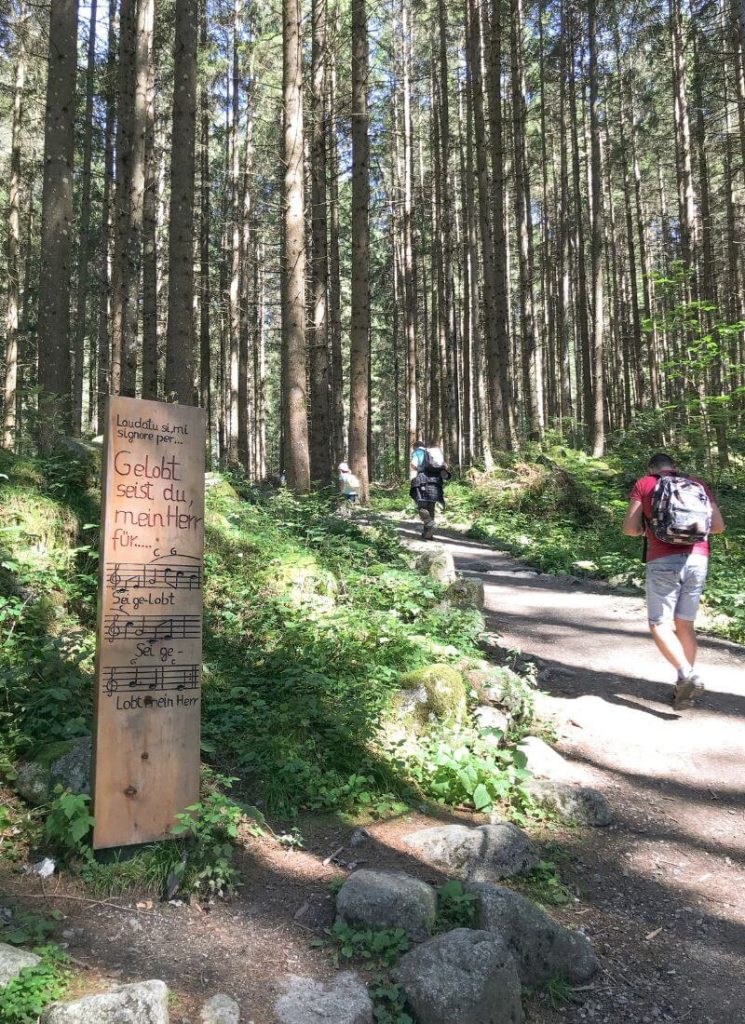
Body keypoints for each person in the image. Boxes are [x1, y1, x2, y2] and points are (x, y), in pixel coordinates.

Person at [622, 452, 725, 709]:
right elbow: (719, 526)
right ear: (675, 467)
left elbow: (630, 529)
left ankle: (686, 674)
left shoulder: (645, 483)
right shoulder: (697, 484)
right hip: (698, 558)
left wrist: (650, 528)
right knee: (685, 624)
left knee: (659, 623)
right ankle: (683, 685)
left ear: (651, 468)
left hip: (663, 560)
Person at [409, 441, 450, 540]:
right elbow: (444, 468)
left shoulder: (418, 452)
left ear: (415, 447)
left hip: (423, 481)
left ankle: (430, 523)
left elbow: (414, 464)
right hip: (436, 482)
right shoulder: (434, 454)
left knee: (422, 506)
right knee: (431, 507)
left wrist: (414, 472)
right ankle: (428, 534)